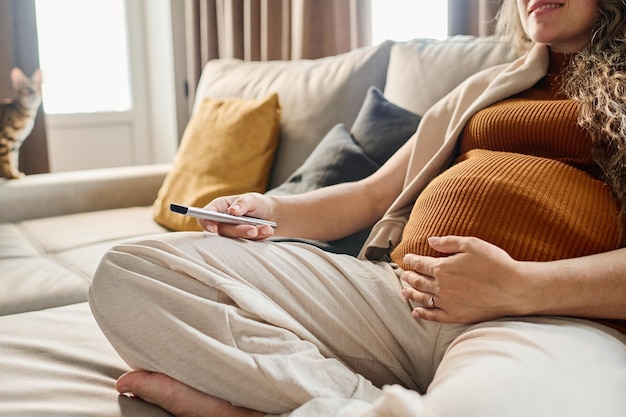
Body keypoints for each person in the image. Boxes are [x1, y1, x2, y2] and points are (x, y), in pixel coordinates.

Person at [89, 1, 626, 416]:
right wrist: (268, 208)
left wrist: (518, 286)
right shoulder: (488, 87)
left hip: (546, 317)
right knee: (130, 273)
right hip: (396, 295)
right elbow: (371, 195)